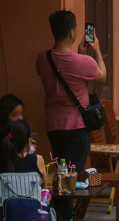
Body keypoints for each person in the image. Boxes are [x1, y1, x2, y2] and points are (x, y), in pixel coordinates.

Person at [36, 10, 107, 183]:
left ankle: (62, 208)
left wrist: (80, 53)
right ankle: (66, 210)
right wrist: (96, 50)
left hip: (53, 126)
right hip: (76, 127)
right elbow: (102, 77)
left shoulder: (42, 58)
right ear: (72, 32)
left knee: (62, 173)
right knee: (71, 180)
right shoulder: (84, 63)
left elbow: (66, 72)